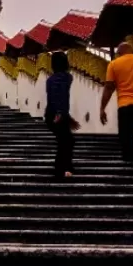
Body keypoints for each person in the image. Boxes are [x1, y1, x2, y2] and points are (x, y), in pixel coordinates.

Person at [43, 50, 77, 178]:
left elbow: (53, 97)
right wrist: (61, 114)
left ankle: (65, 167)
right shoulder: (66, 77)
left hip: (51, 113)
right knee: (66, 141)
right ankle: (62, 169)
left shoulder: (50, 79)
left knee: (66, 140)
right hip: (57, 113)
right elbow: (60, 97)